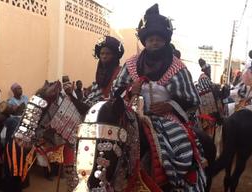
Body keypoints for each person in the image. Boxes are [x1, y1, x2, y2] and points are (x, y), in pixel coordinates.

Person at [112, 4, 206, 191]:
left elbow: (193, 100)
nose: (154, 43)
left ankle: (183, 183)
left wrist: (170, 105)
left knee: (180, 144)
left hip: (165, 119)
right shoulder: (131, 64)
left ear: (165, 41)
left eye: (159, 39)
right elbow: (116, 92)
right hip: (131, 116)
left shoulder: (177, 67)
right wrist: (131, 89)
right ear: (145, 41)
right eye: (150, 39)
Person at [84, 36, 124, 106]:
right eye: (102, 53)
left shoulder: (120, 73)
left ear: (114, 56)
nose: (104, 56)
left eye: (108, 53)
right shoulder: (98, 78)